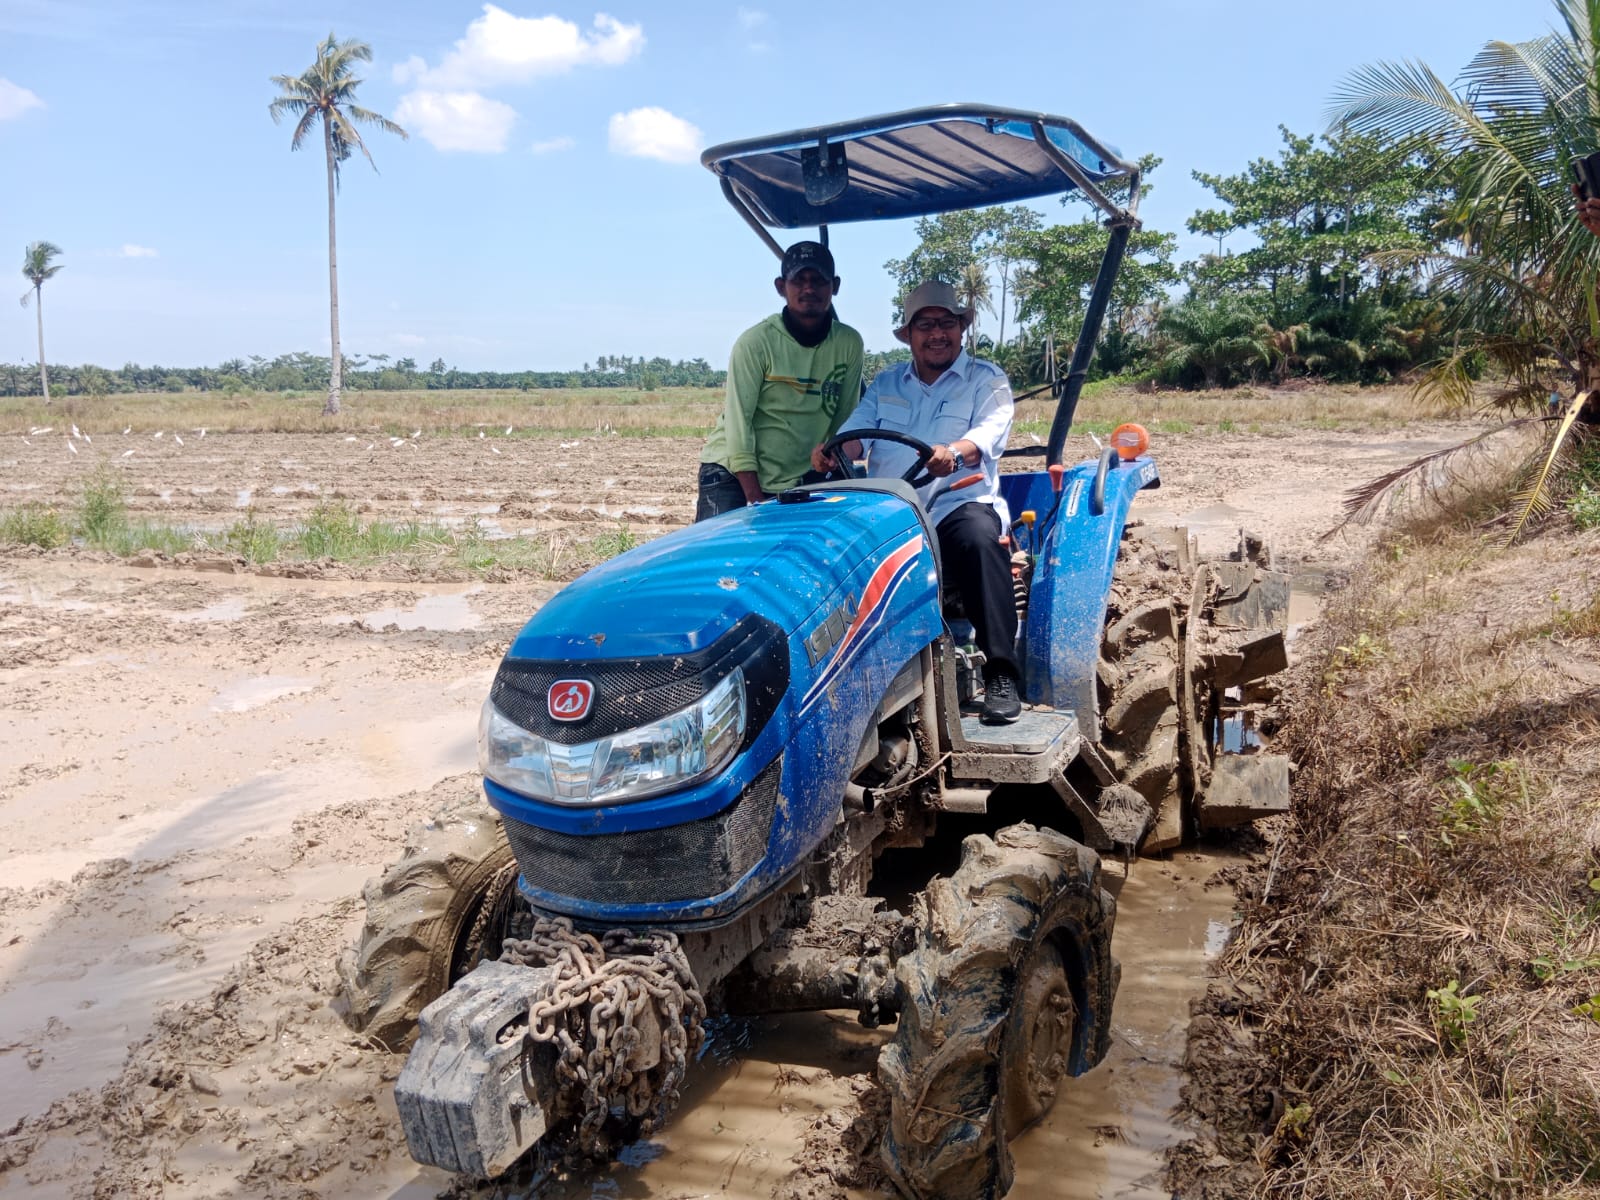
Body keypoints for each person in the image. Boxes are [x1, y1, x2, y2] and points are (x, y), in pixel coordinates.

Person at [809, 280, 1021, 724]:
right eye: (925, 324)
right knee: (825, 548)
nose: (937, 333)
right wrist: (833, 451)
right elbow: (858, 432)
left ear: (962, 329)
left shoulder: (987, 379)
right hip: (890, 512)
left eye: (947, 322)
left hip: (953, 505)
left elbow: (989, 432)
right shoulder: (887, 382)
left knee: (981, 539)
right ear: (909, 335)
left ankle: (1001, 672)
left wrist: (956, 451)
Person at [696, 241, 864, 521]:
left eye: (818, 280)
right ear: (780, 286)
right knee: (722, 558)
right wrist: (754, 500)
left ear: (834, 286)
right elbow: (740, 424)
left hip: (798, 473)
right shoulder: (755, 342)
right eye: (799, 280)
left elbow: (843, 421)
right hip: (733, 472)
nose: (808, 288)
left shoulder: (849, 343)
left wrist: (831, 462)